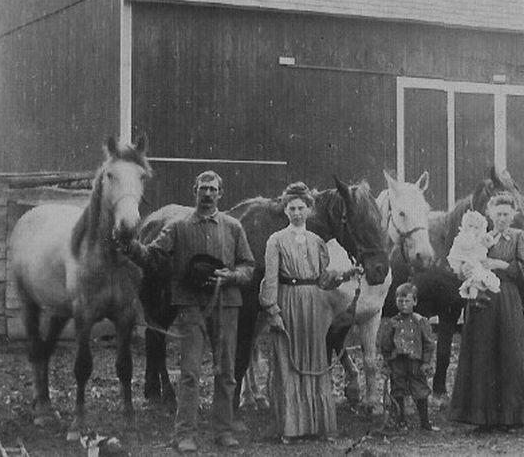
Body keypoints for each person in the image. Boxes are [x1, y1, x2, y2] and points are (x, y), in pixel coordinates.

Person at [126, 171, 255, 453]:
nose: (207, 194)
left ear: (221, 194)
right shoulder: (177, 226)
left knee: (226, 370)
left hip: (226, 304)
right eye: (202, 189)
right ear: (194, 191)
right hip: (191, 305)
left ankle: (223, 430)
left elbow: (248, 267)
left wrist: (230, 276)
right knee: (190, 371)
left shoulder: (233, 227)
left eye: (213, 189)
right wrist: (130, 246)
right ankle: (185, 433)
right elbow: (152, 256)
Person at [258, 182, 361, 444]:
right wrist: (272, 309)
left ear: (309, 209)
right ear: (285, 210)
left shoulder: (318, 242)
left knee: (314, 360)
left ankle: (319, 425)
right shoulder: (276, 241)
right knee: (288, 362)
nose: (296, 213)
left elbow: (323, 280)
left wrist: (347, 274)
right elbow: (270, 279)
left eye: (301, 208)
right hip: (287, 301)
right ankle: (290, 427)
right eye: (291, 208)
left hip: (313, 305)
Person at [448, 192, 524, 430]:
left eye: (507, 214)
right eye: (498, 214)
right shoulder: (480, 237)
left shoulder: (519, 237)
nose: (502, 219)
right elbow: (465, 261)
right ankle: (481, 416)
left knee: (508, 351)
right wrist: (464, 270)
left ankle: (509, 416)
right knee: (482, 352)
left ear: (513, 215)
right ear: (490, 214)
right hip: (481, 301)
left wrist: (499, 264)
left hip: (507, 299)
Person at [377, 282, 438, 432]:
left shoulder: (420, 321)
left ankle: (425, 422)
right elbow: (385, 345)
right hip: (397, 363)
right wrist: (386, 362)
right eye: (400, 301)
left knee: (420, 389)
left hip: (415, 363)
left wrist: (426, 362)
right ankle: (400, 420)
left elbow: (429, 343)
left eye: (407, 301)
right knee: (398, 389)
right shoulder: (392, 323)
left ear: (415, 302)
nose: (403, 305)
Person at [447, 210, 501, 307]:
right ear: (464, 226)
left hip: (477, 263)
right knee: (473, 279)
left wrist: (489, 239)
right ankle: (473, 299)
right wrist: (473, 239)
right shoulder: (463, 237)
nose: (473, 229)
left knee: (483, 278)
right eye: (470, 226)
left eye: (476, 228)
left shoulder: (479, 237)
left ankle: (479, 296)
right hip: (467, 261)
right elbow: (465, 247)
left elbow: (488, 243)